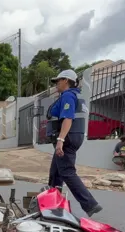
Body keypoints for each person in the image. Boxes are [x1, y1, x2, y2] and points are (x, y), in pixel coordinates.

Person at [45, 69, 102, 216]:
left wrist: (60, 140)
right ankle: (52, 201)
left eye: (58, 81)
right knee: (56, 172)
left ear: (66, 81)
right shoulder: (76, 96)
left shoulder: (68, 96)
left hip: (67, 138)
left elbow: (68, 118)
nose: (56, 84)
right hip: (73, 137)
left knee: (67, 172)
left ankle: (90, 204)